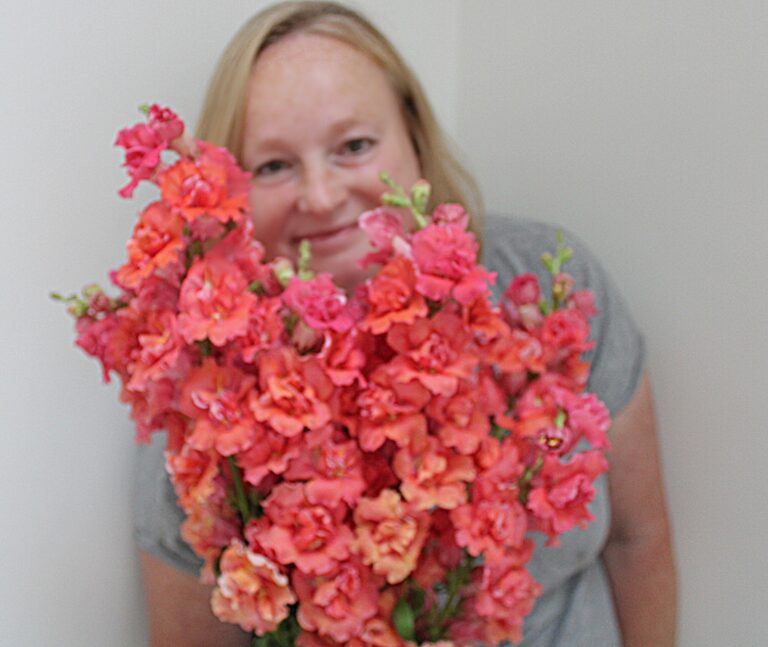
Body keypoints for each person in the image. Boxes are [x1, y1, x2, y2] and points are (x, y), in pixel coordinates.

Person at [134, 2, 677, 646]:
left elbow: (638, 541)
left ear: (415, 138)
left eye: (354, 146)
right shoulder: (205, 403)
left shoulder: (549, 290)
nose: (322, 196)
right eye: (274, 165)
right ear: (231, 191)